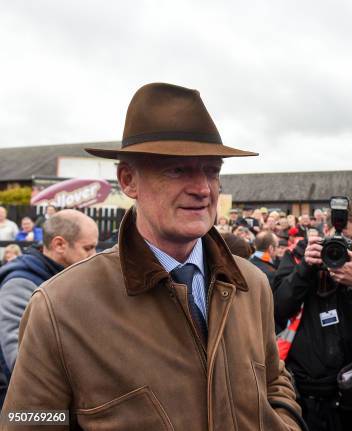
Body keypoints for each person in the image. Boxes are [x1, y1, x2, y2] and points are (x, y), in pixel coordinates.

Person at [1, 83, 301, 430]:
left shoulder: (251, 284)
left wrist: (286, 422)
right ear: (128, 180)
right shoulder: (61, 307)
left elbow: (275, 380)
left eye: (212, 170)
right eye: (177, 170)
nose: (203, 188)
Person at [273, 200, 352, 431]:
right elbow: (278, 309)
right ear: (326, 231)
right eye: (341, 237)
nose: (348, 246)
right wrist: (305, 270)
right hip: (304, 385)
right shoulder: (302, 254)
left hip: (351, 384)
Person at [0, 210, 98, 405]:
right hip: (30, 410)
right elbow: (21, 364)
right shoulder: (20, 285)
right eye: (88, 248)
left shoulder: (74, 278)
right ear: (59, 244)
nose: (94, 256)